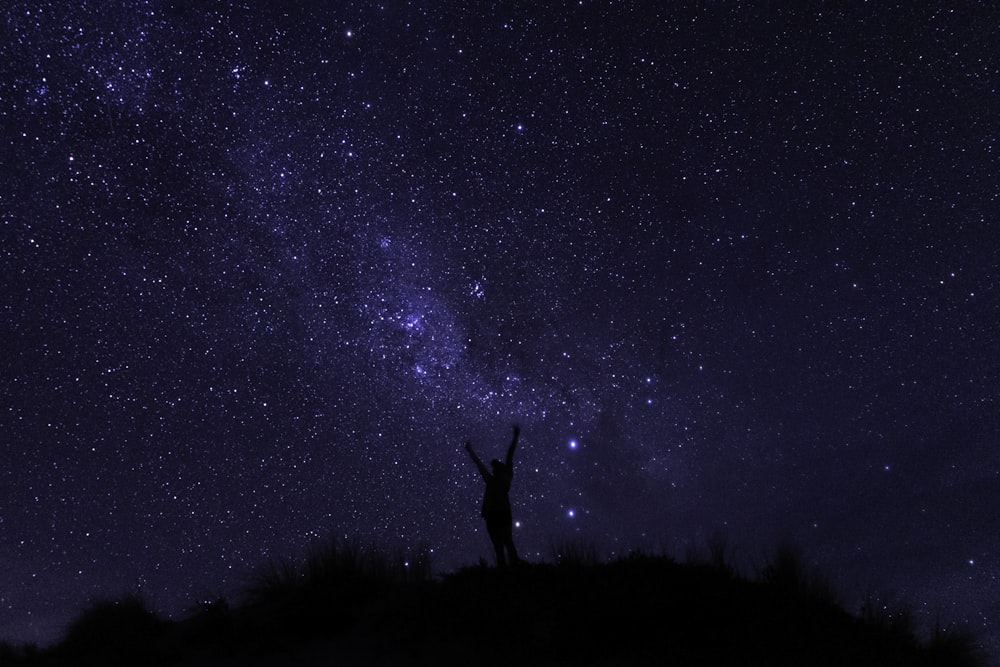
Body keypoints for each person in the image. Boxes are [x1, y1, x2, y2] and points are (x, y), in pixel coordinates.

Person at [465, 425, 521, 567]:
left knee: (503, 545)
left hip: (496, 514)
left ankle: (510, 570)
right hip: (496, 514)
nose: (493, 469)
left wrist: (515, 437)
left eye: (495, 468)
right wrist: (471, 452)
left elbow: (509, 455)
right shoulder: (500, 479)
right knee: (503, 545)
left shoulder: (499, 479)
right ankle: (511, 570)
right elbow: (482, 465)